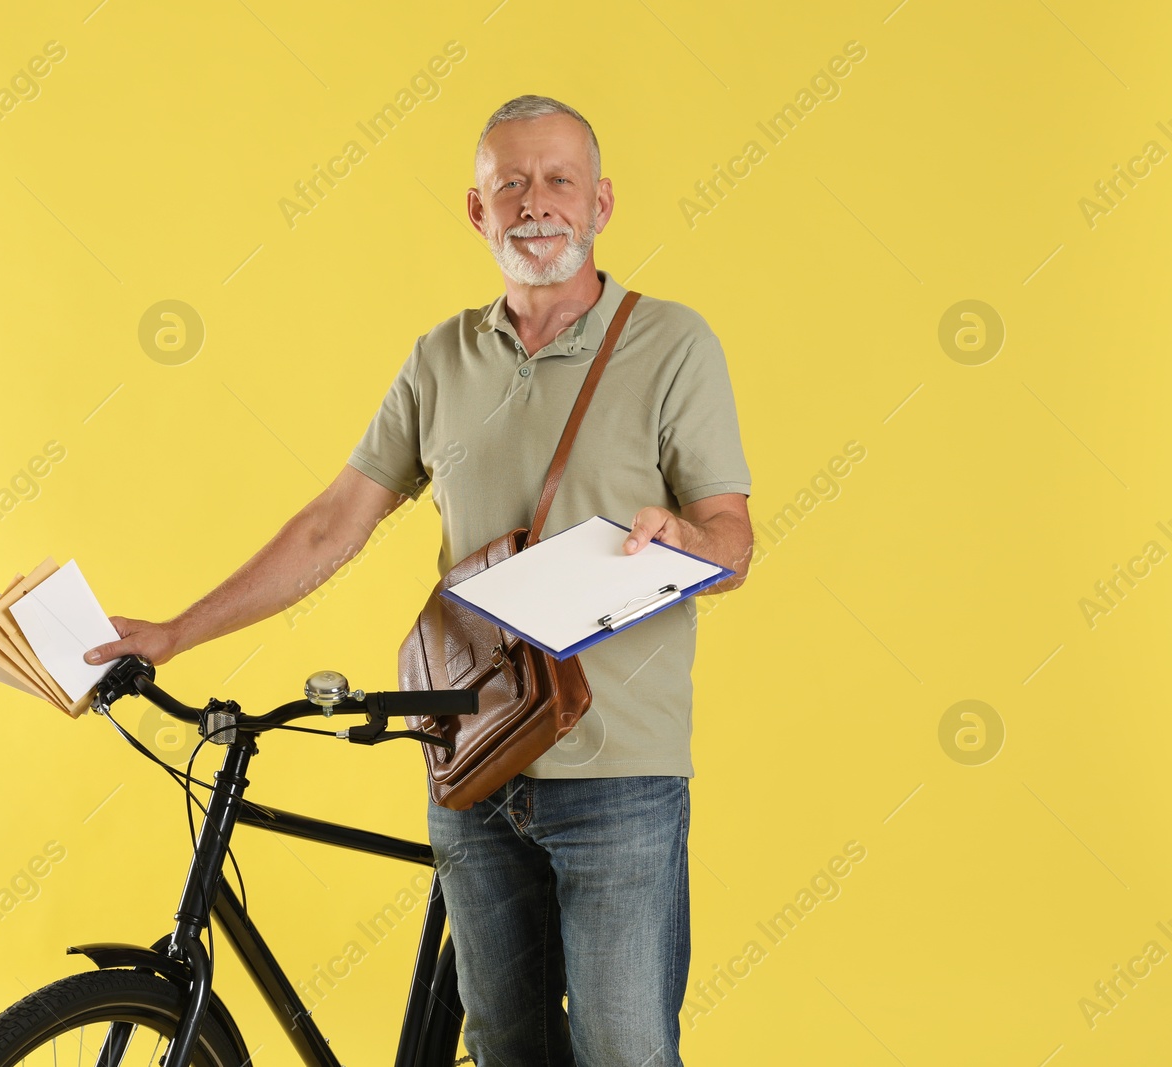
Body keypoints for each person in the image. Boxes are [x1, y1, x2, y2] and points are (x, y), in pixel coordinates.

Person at [84, 94, 753, 1066]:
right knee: (506, 1044)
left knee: (622, 1046)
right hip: (469, 760)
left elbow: (733, 539)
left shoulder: (672, 344)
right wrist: (173, 634)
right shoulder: (441, 358)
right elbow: (331, 522)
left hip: (618, 772)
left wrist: (683, 538)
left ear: (600, 201)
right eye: (509, 184)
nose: (536, 203)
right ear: (476, 212)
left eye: (559, 180)